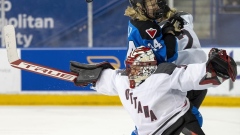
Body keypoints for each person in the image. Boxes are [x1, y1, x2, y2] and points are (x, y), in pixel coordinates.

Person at [70, 46, 237, 135]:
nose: (132, 72)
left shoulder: (162, 74)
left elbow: (190, 75)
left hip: (179, 118)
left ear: (148, 68)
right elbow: (106, 78)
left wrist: (215, 68)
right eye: (131, 67)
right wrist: (92, 77)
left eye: (137, 68)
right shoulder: (122, 79)